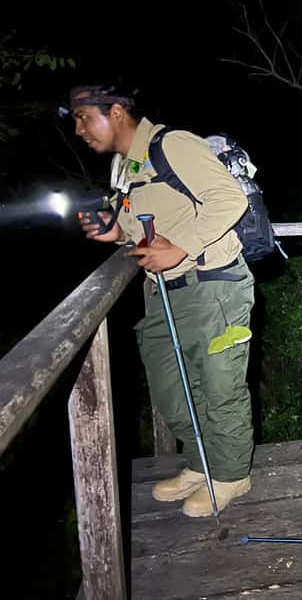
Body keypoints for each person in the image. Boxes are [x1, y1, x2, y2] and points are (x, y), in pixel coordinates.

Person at [69, 83, 256, 517]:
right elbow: (143, 228)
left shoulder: (173, 145)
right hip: (162, 295)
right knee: (172, 390)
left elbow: (228, 200)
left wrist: (181, 246)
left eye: (84, 117)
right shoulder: (124, 168)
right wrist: (114, 232)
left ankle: (231, 475)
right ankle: (199, 463)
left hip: (212, 287)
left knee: (219, 388)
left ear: (115, 112)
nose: (79, 129)